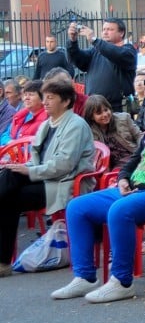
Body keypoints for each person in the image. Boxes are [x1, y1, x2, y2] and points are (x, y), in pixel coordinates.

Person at [54, 87, 145, 302]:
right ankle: (85, 276)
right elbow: (131, 164)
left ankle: (122, 281)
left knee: (120, 210)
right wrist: (123, 179)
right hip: (136, 191)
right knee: (77, 207)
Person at [0, 78, 95, 277]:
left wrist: (30, 171)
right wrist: (24, 167)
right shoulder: (48, 124)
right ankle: (3, 262)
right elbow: (37, 158)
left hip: (65, 183)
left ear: (66, 101)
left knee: (9, 199)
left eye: (51, 98)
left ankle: (3, 262)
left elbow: (64, 165)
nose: (45, 102)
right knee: (10, 175)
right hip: (46, 177)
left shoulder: (75, 125)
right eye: (45, 97)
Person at [67, 18, 136, 112]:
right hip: (94, 107)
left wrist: (94, 40)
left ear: (121, 33)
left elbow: (115, 53)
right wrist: (73, 41)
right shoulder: (95, 51)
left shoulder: (128, 50)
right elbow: (77, 60)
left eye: (110, 29)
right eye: (104, 29)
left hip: (117, 108)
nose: (105, 32)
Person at [83, 94, 141, 169]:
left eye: (106, 110)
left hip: (134, 158)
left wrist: (142, 152)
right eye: (99, 113)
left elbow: (139, 136)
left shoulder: (123, 118)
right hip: (112, 167)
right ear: (91, 117)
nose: (105, 114)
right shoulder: (90, 131)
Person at [1, 80, 47, 146]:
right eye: (25, 95)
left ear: (42, 98)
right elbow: (4, 135)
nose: (26, 98)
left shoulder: (46, 118)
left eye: (31, 95)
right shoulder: (20, 115)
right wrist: (10, 143)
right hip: (11, 153)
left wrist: (16, 147)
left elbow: (39, 146)